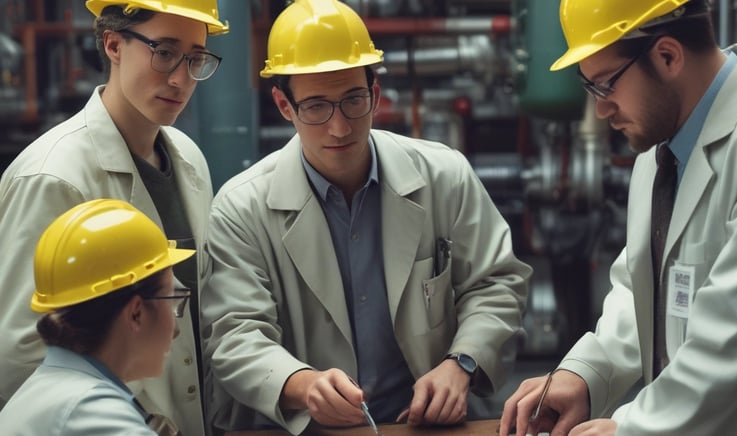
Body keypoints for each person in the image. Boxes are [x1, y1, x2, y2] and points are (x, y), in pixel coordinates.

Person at [199, 0, 532, 434]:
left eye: (353, 100)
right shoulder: (241, 208)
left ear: (374, 94)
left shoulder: (444, 176)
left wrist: (461, 362)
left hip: (424, 425)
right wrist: (303, 385)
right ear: (284, 105)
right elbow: (235, 333)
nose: (339, 127)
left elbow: (496, 282)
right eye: (316, 107)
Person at [499, 0, 737, 435]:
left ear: (667, 56)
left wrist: (631, 428)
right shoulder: (659, 152)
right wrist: (586, 374)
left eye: (605, 86)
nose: (602, 111)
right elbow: (642, 282)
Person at [0, 1, 228, 435]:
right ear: (113, 44)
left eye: (195, 59)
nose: (180, 78)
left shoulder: (189, 160)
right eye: (163, 52)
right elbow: (21, 356)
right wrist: (131, 422)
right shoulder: (52, 176)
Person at [0, 200, 196, 435]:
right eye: (172, 298)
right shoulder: (93, 415)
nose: (175, 328)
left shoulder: (55, 387)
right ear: (136, 313)